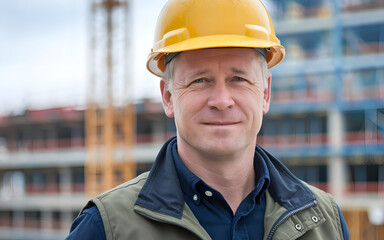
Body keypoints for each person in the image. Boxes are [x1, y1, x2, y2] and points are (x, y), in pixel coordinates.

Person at [67, 0, 350, 239]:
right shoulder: (105, 228)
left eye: (238, 79)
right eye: (200, 80)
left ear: (265, 93)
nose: (221, 100)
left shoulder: (326, 223)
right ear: (168, 97)